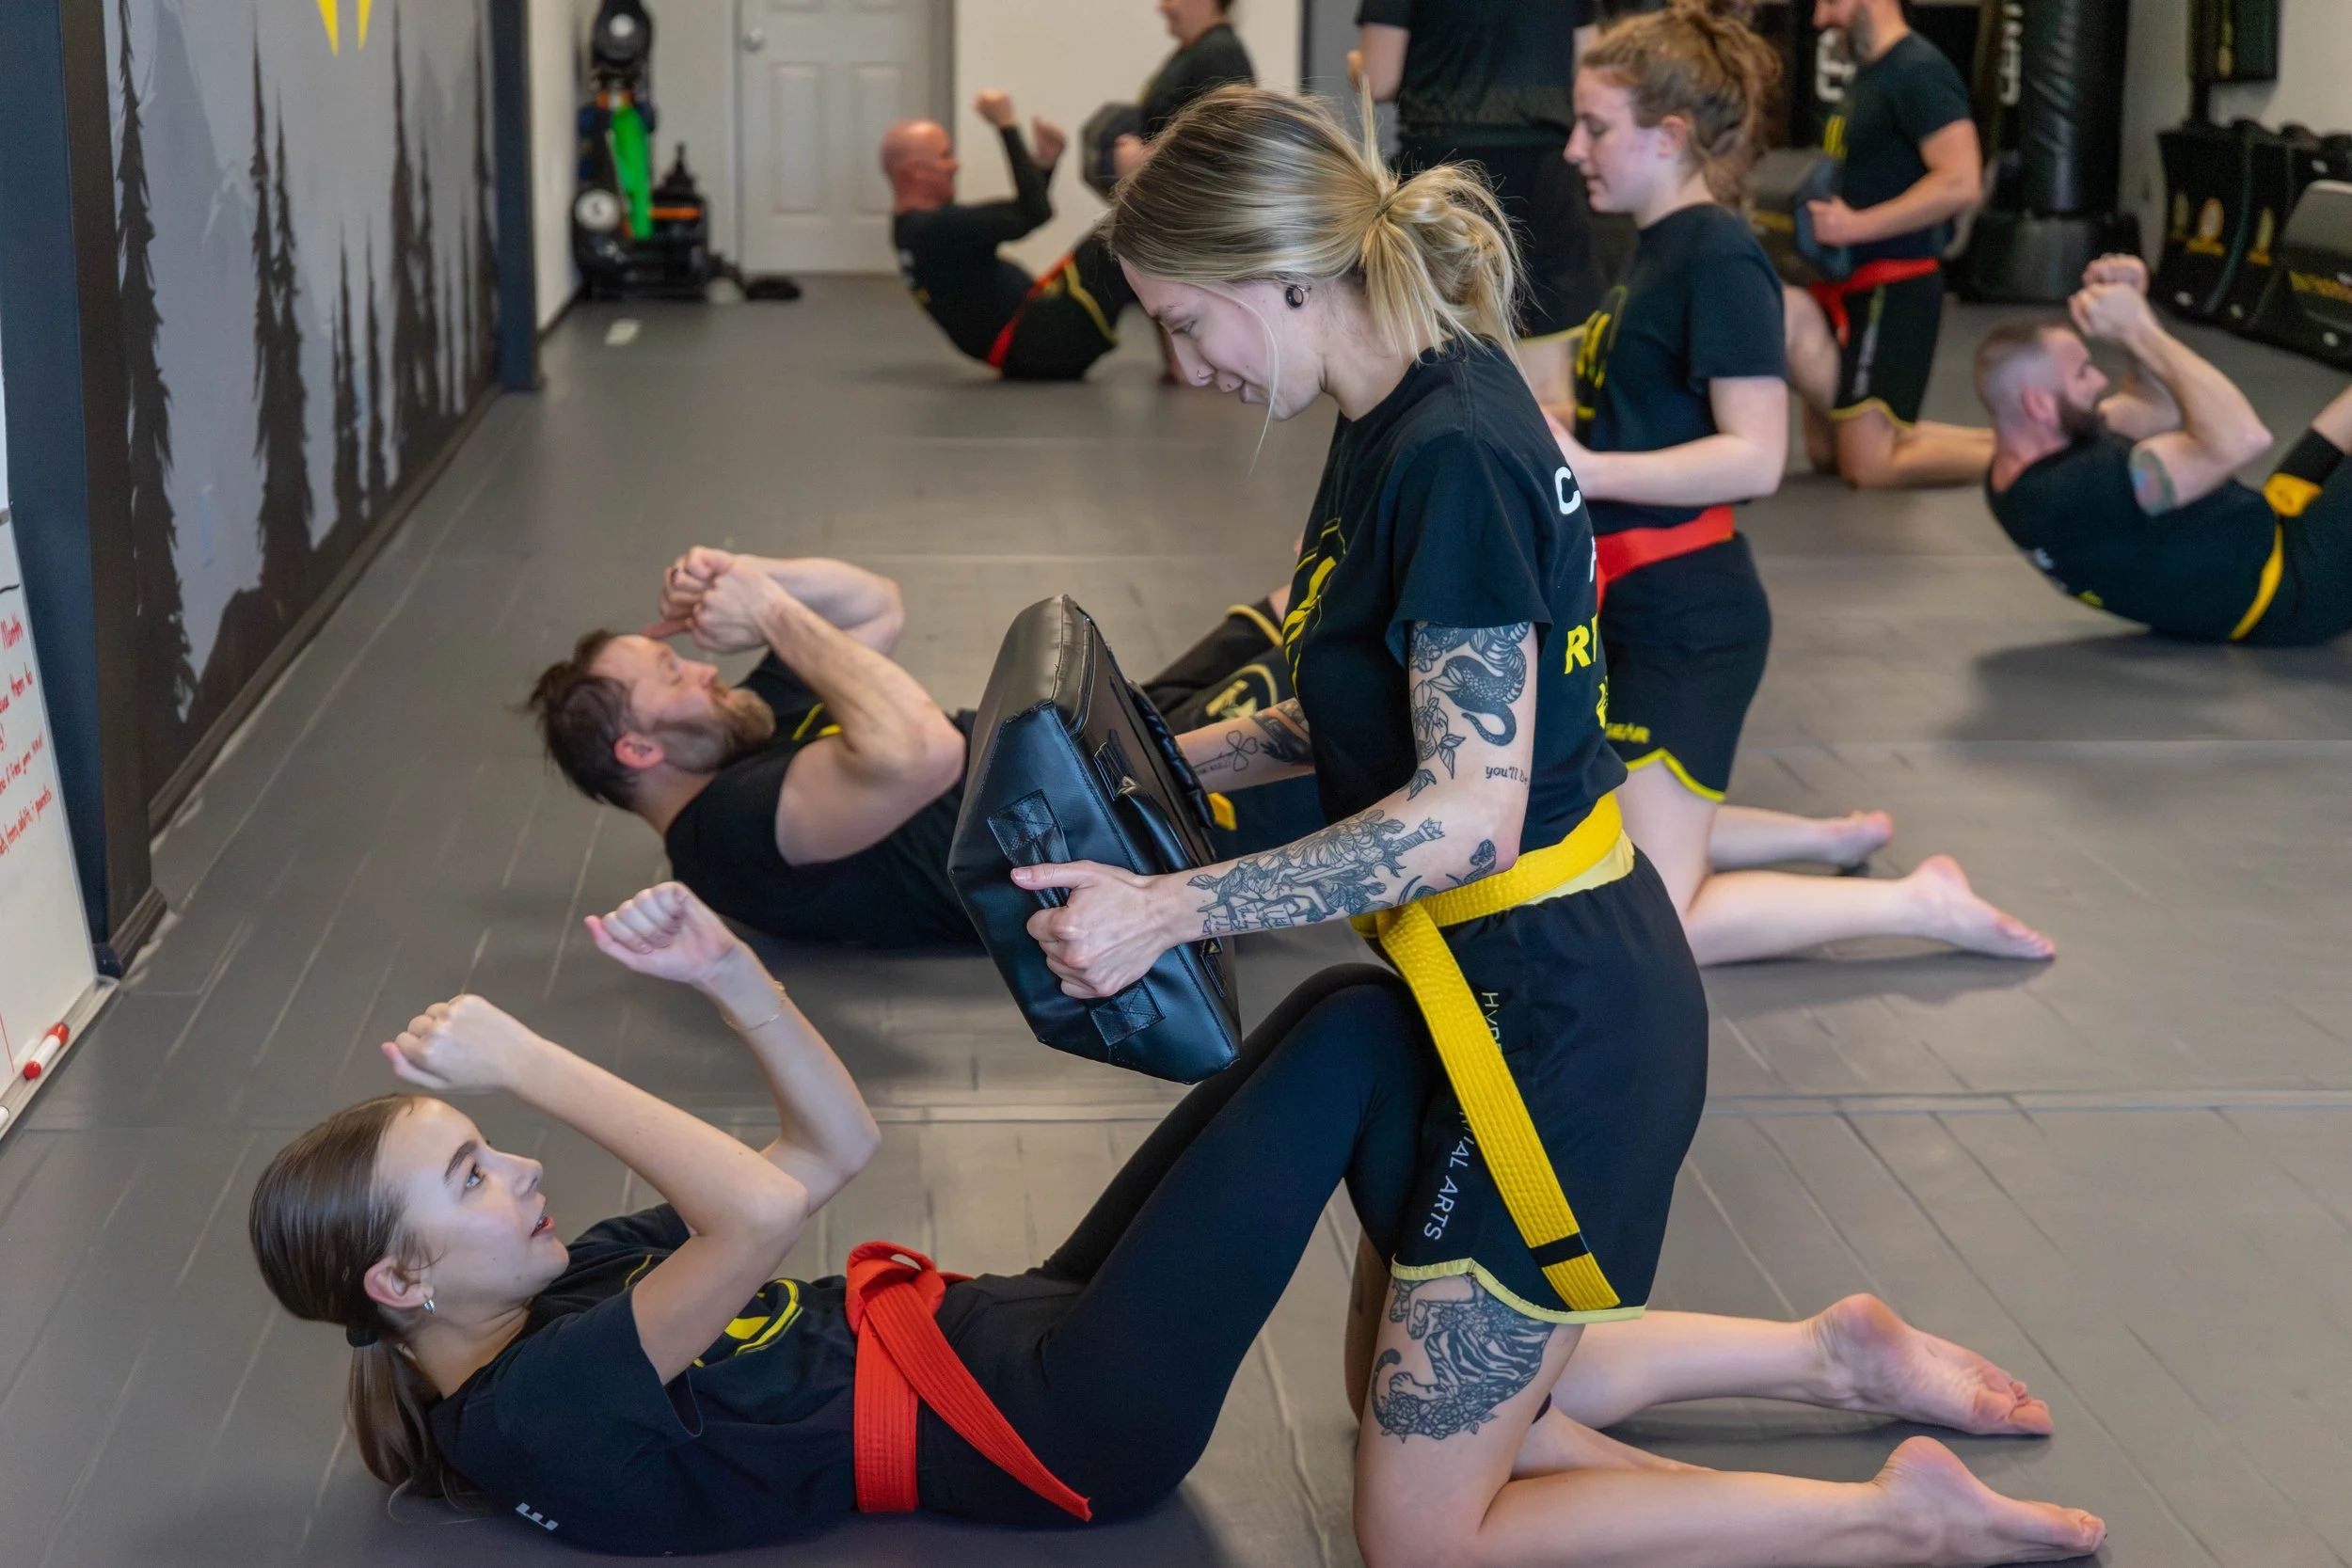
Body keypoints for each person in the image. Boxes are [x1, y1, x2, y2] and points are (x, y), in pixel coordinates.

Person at [1009, 82, 2100, 1567]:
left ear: (1284, 273)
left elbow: (1464, 814)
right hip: (1483, 992)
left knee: (1423, 1538)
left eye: (1187, 321)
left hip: (1565, 1028)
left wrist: (1172, 903)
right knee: (1408, 1405)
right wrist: (1146, 765)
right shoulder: (1390, 402)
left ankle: (1891, 1516)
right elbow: (1359, 706)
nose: (1179, 358)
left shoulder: (1450, 449)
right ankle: (1825, 1355)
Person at [249, 879, 2105, 1558]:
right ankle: (1883, 1516)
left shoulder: (543, 1295)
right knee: (1355, 1033)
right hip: (1059, 1424)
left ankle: (1559, 1380)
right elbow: (752, 1198)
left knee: (1342, 1021)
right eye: (478, 1170)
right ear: (403, 1277)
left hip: (1012, 1321)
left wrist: (733, 970)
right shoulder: (535, 1405)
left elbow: (820, 1145)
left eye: (493, 1140)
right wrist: (537, 1057)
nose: (523, 1172)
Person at [1551, 2, 2050, 965]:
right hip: (1629, 599)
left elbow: (1753, 455)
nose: (1575, 149)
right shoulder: (1650, 250)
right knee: (1592, 836)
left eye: (1595, 128)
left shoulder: (1720, 258)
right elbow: (1642, 419)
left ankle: (1920, 903)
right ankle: (1825, 838)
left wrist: (1590, 466)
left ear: (1669, 137)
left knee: (1649, 929)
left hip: (1688, 617)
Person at [524, 550, 1313, 948]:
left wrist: (753, 574)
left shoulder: (741, 737)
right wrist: (768, 612)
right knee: (1349, 678)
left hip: (1098, 751)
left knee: (1298, 599)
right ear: (637, 749)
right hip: (1146, 823)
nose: (701, 669)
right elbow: (922, 754)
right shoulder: (725, 832)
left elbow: (873, 607)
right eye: (673, 676)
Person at [1979, 253, 2352, 646]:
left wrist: (2136, 309)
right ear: (2039, 404)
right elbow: (2243, 438)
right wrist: (2139, 331)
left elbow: (2151, 409)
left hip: (2274, 529)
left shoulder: (2030, 458)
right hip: (2297, 589)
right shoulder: (2074, 491)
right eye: (2082, 374)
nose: (2098, 380)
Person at [1351, 0, 1610, 412]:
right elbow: (1591, 71)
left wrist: (1357, 64)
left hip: (1442, 177)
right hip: (1543, 175)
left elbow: (1378, 79)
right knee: (1545, 391)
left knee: (1435, 376)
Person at [1781, 0, 1993, 489]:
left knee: (1867, 465)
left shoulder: (1919, 71)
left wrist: (1857, 227)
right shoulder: (1868, 76)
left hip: (1895, 286)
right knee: (1826, 453)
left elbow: (1962, 181)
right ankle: (1998, 441)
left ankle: (2024, 456)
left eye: (1829, 3)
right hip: (1845, 280)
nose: (1820, 21)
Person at [885, 92, 1137, 381]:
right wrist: (1006, 126)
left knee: (1124, 233)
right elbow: (1032, 213)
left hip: (1033, 345)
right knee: (1127, 227)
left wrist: (1043, 166)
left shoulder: (913, 228)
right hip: (1044, 347)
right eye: (945, 156)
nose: (955, 165)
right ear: (915, 173)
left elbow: (1024, 215)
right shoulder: (936, 229)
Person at [1109, 0, 1259, 182]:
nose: (1162, 7)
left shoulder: (1219, 54)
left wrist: (1145, 166)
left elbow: (1224, 154)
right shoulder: (1198, 49)